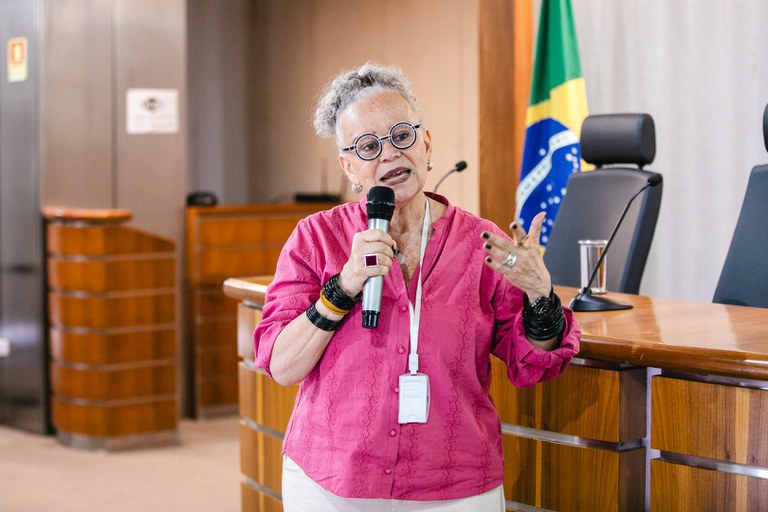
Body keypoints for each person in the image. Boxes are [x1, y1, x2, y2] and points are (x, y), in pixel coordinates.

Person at [253, 62, 581, 512]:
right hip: (332, 481)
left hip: (455, 481)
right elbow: (282, 364)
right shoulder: (316, 238)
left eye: (401, 136)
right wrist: (343, 286)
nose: (390, 154)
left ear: (426, 144)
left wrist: (541, 297)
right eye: (369, 146)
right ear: (349, 167)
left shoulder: (480, 242)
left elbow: (532, 364)